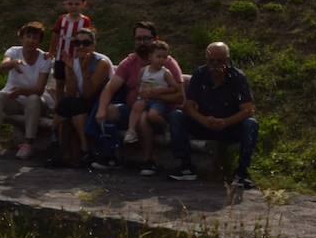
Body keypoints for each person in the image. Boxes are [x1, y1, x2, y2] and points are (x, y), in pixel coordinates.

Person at [89, 21, 185, 173]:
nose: (142, 43)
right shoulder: (130, 62)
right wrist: (101, 109)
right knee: (109, 111)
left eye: (146, 39)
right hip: (135, 107)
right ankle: (113, 156)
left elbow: (180, 96)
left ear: (155, 39)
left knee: (143, 118)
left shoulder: (166, 63)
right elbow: (110, 87)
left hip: (160, 112)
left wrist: (157, 95)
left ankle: (148, 160)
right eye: (138, 39)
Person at [167, 41, 259, 188]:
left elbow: (248, 109)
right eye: (211, 61)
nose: (215, 64)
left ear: (227, 61)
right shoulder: (199, 74)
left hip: (229, 126)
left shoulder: (237, 77)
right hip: (204, 124)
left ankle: (242, 172)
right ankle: (185, 166)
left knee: (251, 124)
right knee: (176, 116)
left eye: (220, 61)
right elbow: (188, 105)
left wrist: (226, 122)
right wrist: (202, 119)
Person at [0, 22, 54, 160]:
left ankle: (28, 144)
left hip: (35, 105)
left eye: (35, 38)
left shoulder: (44, 59)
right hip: (14, 101)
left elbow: (38, 90)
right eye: (28, 36)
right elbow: (3, 65)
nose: (31, 40)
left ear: (39, 41)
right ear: (22, 39)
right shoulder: (13, 51)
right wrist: (13, 63)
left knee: (33, 98)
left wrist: (21, 91)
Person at [51, 28, 112, 168]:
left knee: (74, 105)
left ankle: (84, 150)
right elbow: (72, 93)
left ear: (93, 45)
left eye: (86, 43)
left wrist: (84, 71)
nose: (81, 47)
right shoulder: (74, 62)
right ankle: (64, 151)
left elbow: (89, 94)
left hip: (100, 103)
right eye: (77, 43)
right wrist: (70, 70)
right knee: (67, 103)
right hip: (82, 103)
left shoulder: (101, 62)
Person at [122, 40, 183, 177]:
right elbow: (140, 84)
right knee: (137, 107)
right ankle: (131, 131)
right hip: (145, 99)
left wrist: (160, 91)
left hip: (158, 101)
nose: (162, 60)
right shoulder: (144, 71)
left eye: (164, 57)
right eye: (158, 56)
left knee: (151, 115)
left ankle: (164, 128)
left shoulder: (165, 73)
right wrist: (142, 93)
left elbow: (176, 90)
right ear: (150, 57)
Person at [46, 0, 93, 102]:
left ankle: (73, 105)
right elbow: (55, 35)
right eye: (70, 4)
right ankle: (59, 106)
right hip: (61, 57)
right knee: (59, 83)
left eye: (77, 4)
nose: (73, 7)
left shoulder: (85, 21)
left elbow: (89, 38)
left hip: (76, 58)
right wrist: (52, 51)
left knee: (73, 83)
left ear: (83, 4)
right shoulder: (62, 19)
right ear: (65, 4)